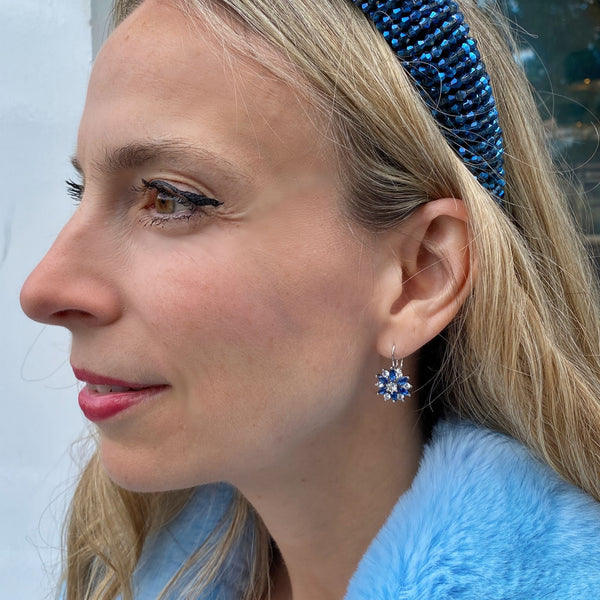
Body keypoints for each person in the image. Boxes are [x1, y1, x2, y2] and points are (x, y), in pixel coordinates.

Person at [19, 0, 600, 598]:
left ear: (418, 277)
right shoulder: (125, 576)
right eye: (80, 190)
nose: (43, 288)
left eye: (170, 198)